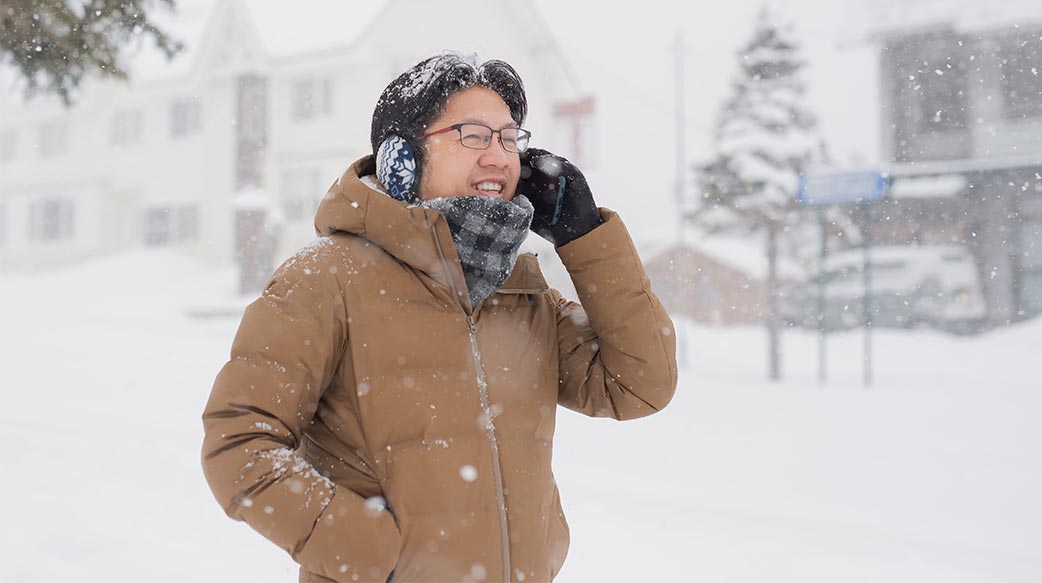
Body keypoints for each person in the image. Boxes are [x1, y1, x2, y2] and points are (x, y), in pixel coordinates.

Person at [201, 53, 678, 583]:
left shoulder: (518, 289)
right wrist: (383, 556)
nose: (499, 156)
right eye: (474, 135)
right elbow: (240, 444)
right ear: (401, 160)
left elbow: (639, 384)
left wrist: (584, 235)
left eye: (509, 138)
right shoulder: (325, 279)